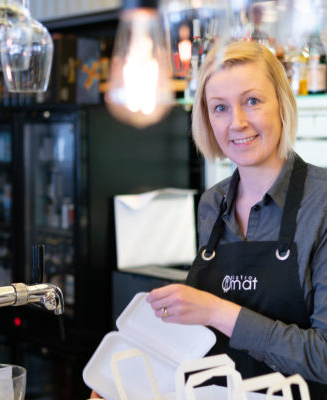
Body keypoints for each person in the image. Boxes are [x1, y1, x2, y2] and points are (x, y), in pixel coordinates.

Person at [89, 40, 327, 399]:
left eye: (252, 101)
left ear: (282, 103)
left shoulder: (321, 203)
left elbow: (323, 357)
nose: (238, 122)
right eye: (220, 108)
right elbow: (197, 338)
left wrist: (218, 311)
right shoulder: (212, 205)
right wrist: (124, 382)